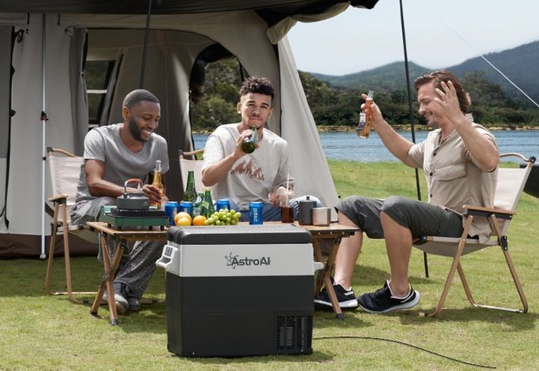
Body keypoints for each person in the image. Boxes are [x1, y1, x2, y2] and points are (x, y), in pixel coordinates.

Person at [314, 70, 499, 313]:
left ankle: (399, 292)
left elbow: (489, 161)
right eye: (419, 102)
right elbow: (408, 155)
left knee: (395, 206)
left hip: (464, 224)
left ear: (449, 98)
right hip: (433, 217)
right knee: (350, 206)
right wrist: (378, 123)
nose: (420, 109)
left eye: (426, 102)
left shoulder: (475, 133)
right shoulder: (435, 139)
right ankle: (341, 289)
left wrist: (460, 120)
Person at [70, 89, 169, 314]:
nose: (152, 125)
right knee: (114, 207)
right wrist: (134, 193)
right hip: (90, 206)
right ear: (126, 113)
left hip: (133, 210)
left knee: (164, 221)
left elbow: (158, 188)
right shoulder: (99, 137)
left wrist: (160, 201)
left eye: (156, 120)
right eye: (146, 118)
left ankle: (120, 288)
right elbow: (94, 183)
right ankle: (126, 289)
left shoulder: (159, 145)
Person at [200, 76, 317, 222]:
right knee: (227, 204)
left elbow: (286, 183)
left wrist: (283, 191)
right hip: (228, 210)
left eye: (263, 106)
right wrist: (235, 156)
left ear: (270, 113)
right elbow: (207, 179)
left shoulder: (279, 145)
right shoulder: (222, 135)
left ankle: (308, 245)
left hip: (262, 211)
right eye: (251, 104)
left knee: (311, 203)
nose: (257, 111)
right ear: (239, 108)